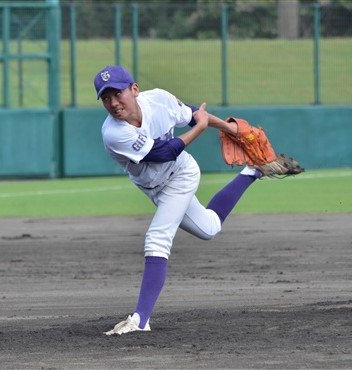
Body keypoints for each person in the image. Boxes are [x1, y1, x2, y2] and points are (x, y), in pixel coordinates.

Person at [94, 65, 288, 335]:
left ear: (134, 89)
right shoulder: (114, 133)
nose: (114, 103)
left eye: (118, 93)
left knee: (157, 238)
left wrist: (231, 129)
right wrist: (202, 126)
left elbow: (195, 114)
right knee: (209, 228)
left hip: (181, 175)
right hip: (155, 185)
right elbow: (163, 152)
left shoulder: (159, 100)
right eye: (106, 98)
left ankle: (140, 319)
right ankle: (253, 171)